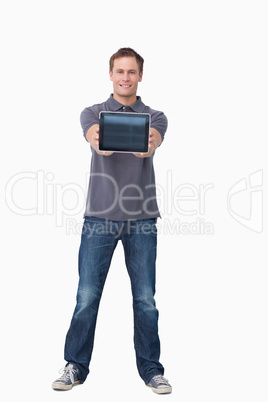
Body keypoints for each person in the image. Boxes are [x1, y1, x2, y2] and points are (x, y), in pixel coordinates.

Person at [52, 47, 172, 395]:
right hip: (100, 218)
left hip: (142, 220)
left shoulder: (156, 116)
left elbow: (155, 141)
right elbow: (91, 133)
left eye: (131, 72)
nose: (125, 77)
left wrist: (149, 145)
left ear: (140, 76)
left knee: (145, 299)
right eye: (119, 71)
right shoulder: (92, 112)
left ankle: (152, 370)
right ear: (110, 75)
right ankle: (75, 365)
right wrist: (96, 140)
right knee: (87, 296)